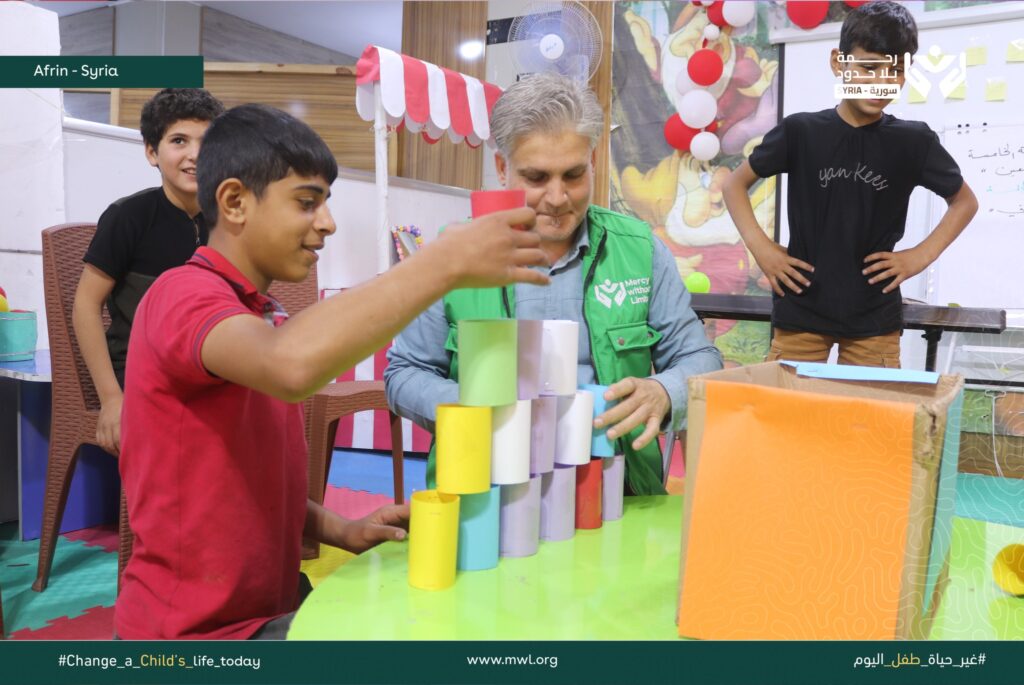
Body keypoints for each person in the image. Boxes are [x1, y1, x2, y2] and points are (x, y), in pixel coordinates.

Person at [115, 104, 550, 640]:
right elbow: (289, 365)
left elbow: (246, 483)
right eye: (307, 202)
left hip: (267, 607)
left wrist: (341, 528)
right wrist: (442, 263)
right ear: (234, 202)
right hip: (193, 636)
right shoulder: (183, 295)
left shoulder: (261, 314)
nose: (327, 222)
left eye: (326, 202)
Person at [385, 73, 723, 497]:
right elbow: (403, 374)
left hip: (618, 495)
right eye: (537, 177)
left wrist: (663, 391)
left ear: (593, 160)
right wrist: (469, 405)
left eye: (574, 174)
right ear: (503, 168)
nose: (558, 197)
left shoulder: (639, 251)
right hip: (482, 498)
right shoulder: (452, 257)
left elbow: (702, 359)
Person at [723, 1, 978, 367]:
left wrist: (918, 256)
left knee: (866, 406)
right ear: (838, 63)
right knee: (790, 403)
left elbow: (965, 202)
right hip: (801, 311)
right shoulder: (800, 131)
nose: (881, 82)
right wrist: (763, 250)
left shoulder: (914, 141)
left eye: (896, 71)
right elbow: (734, 185)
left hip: (874, 318)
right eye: (868, 67)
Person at [74, 88, 225, 455]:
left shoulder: (228, 219)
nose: (195, 155)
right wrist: (112, 398)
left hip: (210, 368)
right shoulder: (128, 217)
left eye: (207, 142)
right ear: (152, 152)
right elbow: (85, 306)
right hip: (141, 371)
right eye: (179, 141)